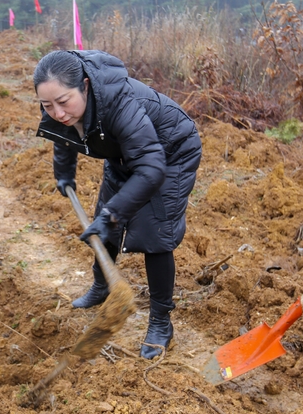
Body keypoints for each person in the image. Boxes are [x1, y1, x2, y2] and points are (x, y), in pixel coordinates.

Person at [34, 50, 202, 360]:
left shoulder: (119, 103)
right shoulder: (61, 108)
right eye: (47, 105)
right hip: (124, 155)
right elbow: (63, 133)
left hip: (169, 151)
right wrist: (64, 174)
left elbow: (152, 167)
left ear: (85, 86)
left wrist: (114, 213)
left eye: (63, 101)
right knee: (105, 222)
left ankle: (161, 322)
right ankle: (102, 286)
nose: (57, 112)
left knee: (155, 233)